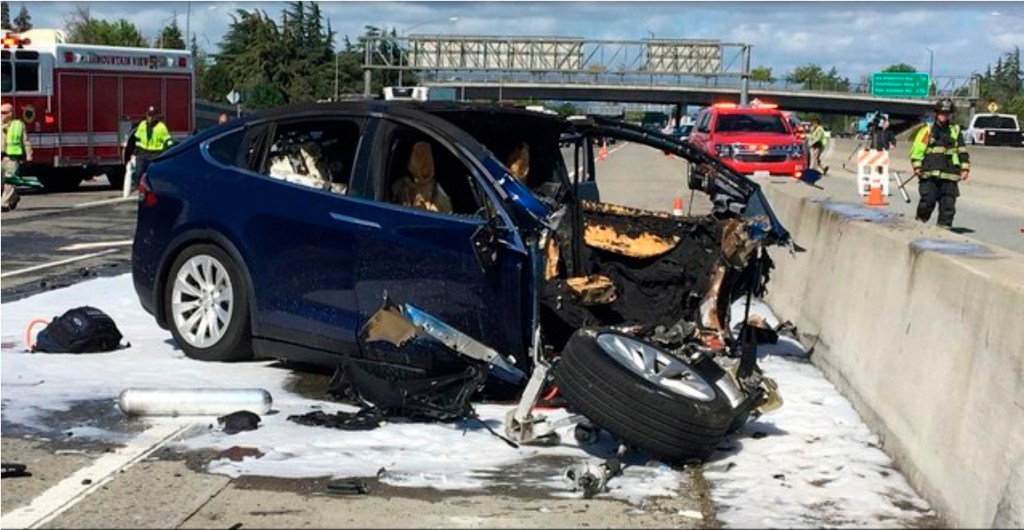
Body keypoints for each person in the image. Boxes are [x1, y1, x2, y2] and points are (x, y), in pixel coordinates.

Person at [910, 98, 970, 229]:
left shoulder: (955, 131)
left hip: (950, 174)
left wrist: (965, 168)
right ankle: (918, 224)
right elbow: (917, 150)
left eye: (947, 113)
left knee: (948, 206)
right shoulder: (927, 130)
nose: (944, 115)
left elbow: (962, 150)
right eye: (942, 113)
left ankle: (944, 230)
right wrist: (917, 166)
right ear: (936, 113)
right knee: (927, 202)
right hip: (929, 173)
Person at [391, 141, 453, 214]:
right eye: (419, 156)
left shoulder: (436, 188)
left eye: (426, 157)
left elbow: (446, 213)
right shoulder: (401, 185)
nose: (424, 163)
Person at [127, 106, 173, 192]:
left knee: (153, 173)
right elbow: (137, 139)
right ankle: (138, 188)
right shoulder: (142, 125)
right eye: (149, 115)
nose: (150, 118)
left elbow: (168, 140)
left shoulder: (161, 127)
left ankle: (154, 188)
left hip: (156, 153)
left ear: (156, 116)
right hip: (143, 152)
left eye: (152, 116)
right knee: (138, 172)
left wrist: (170, 151)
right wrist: (135, 151)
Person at [2, 102, 31, 212]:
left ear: (11, 113)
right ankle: (14, 198)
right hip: (1, 158)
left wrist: (29, 157)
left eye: (4, 113)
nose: (1, 115)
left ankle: (4, 204)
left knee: (10, 181)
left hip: (12, 158)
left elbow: (26, 141)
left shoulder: (18, 125)